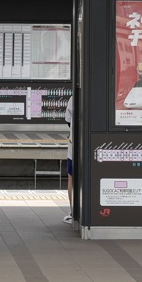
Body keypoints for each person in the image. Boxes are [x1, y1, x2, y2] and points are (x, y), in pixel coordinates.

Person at [63, 94, 75, 224]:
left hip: (74, 145)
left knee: (72, 177)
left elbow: (68, 120)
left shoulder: (74, 98)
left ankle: (73, 212)